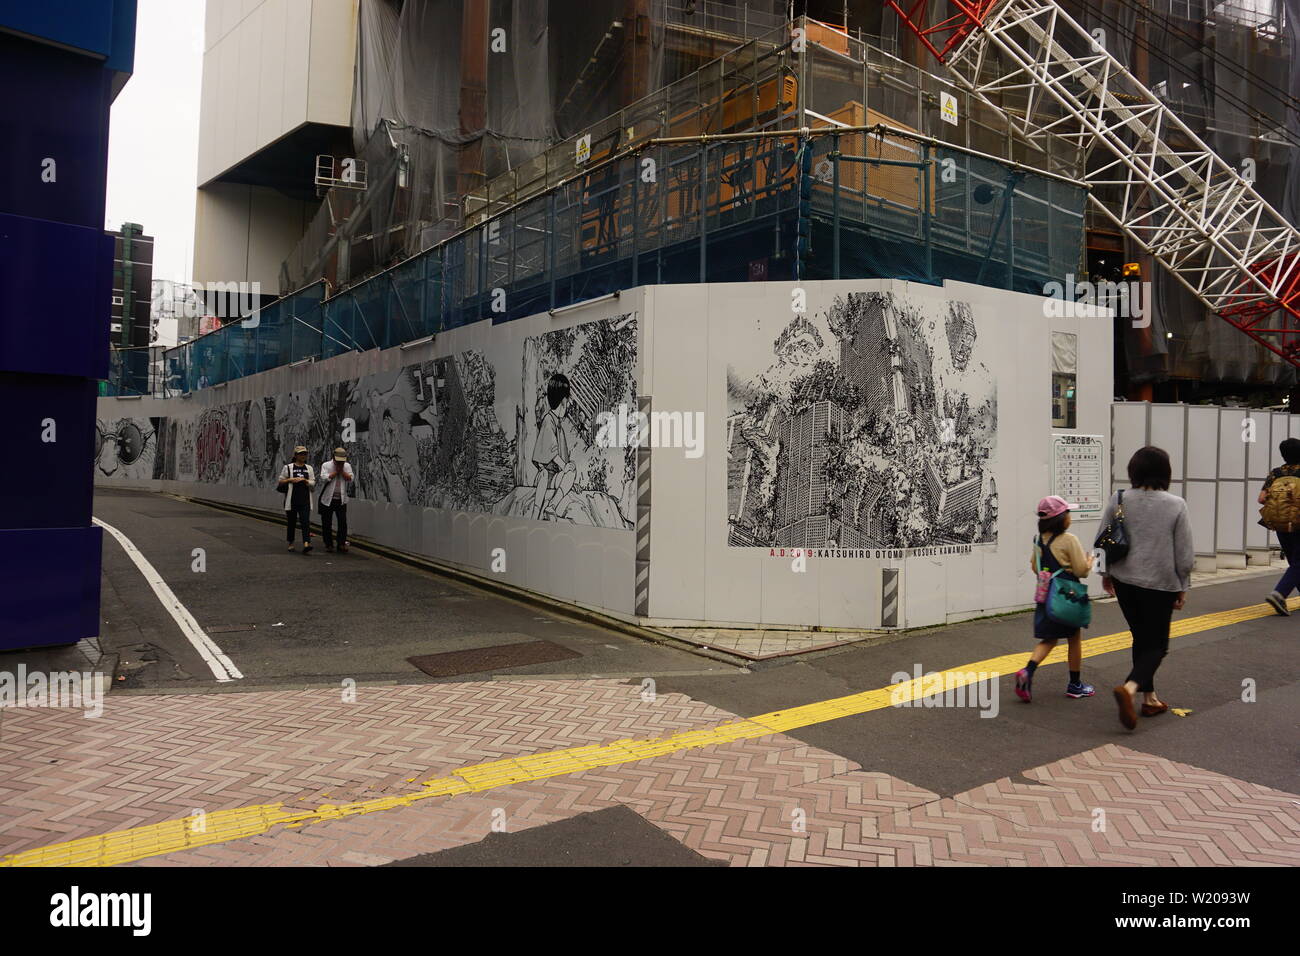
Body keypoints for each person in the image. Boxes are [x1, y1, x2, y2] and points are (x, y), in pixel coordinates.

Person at [1099, 446, 1194, 730]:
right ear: (1166, 473)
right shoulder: (1176, 504)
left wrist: (1105, 574)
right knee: (1158, 645)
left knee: (1141, 636)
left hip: (1125, 580)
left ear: (1133, 471)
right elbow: (1185, 554)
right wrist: (1183, 585)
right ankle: (1129, 689)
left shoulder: (1118, 499)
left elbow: (1102, 539)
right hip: (1160, 584)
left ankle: (1150, 698)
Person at [1015, 495, 1095, 703]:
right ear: (1060, 518)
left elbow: (1035, 567)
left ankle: (1028, 671)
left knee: (1049, 639)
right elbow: (1081, 570)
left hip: (1045, 594)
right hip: (1065, 594)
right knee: (1074, 637)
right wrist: (1088, 562)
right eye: (1067, 512)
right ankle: (1075, 685)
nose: (1070, 516)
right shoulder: (1069, 540)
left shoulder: (1037, 540)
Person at [1258, 437, 1300, 616]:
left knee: (1295, 562)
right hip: (1299, 523)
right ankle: (1279, 593)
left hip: (1280, 524)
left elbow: (1261, 498)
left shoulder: (1276, 473)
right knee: (1299, 563)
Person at [531, 373, 577, 520]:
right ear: (563, 401)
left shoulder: (559, 426)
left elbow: (563, 458)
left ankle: (551, 506)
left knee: (571, 471)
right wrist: (564, 466)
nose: (569, 405)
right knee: (545, 475)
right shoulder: (548, 420)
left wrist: (567, 474)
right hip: (544, 474)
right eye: (568, 401)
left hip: (555, 477)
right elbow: (551, 452)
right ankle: (535, 514)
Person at [277, 445, 315, 553]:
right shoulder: (288, 467)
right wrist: (291, 479)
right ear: (295, 455)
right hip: (292, 499)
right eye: (301, 454)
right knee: (291, 522)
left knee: (305, 522)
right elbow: (280, 481)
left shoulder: (309, 468)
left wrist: (306, 481)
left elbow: (313, 482)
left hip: (305, 499)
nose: (303, 456)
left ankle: (306, 543)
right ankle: (291, 543)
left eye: (305, 454)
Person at [319, 446, 354, 553]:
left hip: (341, 500)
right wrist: (336, 472)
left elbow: (350, 478)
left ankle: (341, 544)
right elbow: (324, 478)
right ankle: (328, 544)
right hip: (327, 499)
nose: (340, 463)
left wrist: (342, 471)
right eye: (338, 461)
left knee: (343, 522)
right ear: (333, 457)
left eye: (342, 461)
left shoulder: (347, 466)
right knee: (326, 523)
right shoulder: (326, 465)